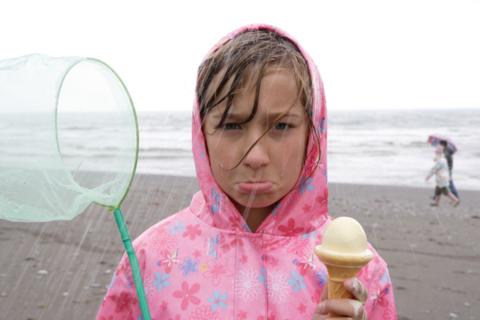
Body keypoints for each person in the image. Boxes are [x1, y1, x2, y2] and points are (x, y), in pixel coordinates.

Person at [96, 24, 397, 319]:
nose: (255, 156)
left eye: (281, 126)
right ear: (201, 132)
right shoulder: (150, 260)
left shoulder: (361, 275)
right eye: (231, 125)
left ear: (313, 134)